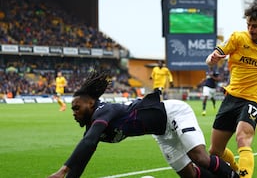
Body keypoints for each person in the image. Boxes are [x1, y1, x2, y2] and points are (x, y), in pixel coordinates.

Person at [48, 71, 239, 178]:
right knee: (190, 175)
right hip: (161, 132)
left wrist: (63, 170)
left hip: (174, 112)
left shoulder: (103, 111)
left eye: (76, 107)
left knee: (200, 157)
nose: (74, 112)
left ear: (90, 103)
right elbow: (84, 155)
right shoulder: (93, 128)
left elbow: (88, 143)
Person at [205, 0, 257, 178]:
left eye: (255, 26)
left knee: (242, 137)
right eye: (248, 25)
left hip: (254, 100)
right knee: (215, 151)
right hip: (231, 97)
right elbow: (211, 57)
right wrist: (211, 59)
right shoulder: (237, 38)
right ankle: (235, 169)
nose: (251, 29)